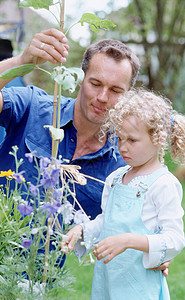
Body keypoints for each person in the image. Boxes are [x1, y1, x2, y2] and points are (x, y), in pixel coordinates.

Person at [0, 28, 169, 273]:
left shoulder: (123, 166)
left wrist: (157, 250)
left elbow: (136, 226)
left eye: (115, 90)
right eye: (96, 83)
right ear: (81, 78)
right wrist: (21, 62)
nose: (102, 97)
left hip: (35, 282)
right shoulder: (33, 106)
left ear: (127, 95)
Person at [63, 89, 185, 299]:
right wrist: (82, 230)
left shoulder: (164, 184)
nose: (122, 148)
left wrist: (128, 240)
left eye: (132, 140)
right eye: (119, 138)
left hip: (139, 286)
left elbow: (174, 239)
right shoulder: (115, 178)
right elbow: (106, 221)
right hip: (109, 279)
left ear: (158, 139)